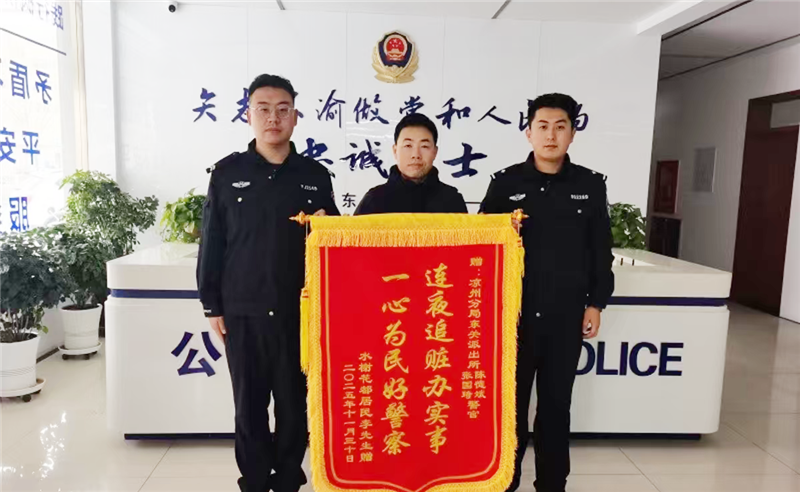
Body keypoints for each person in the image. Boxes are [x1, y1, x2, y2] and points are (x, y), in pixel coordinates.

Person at [197, 74, 340, 492]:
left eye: (282, 109)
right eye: (263, 109)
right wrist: (212, 304)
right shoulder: (228, 174)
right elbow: (213, 241)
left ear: (295, 116)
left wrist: (329, 225)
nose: (273, 118)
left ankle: (289, 480)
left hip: (300, 312)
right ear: (248, 115)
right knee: (249, 406)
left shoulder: (315, 175)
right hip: (244, 310)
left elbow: (334, 241)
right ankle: (255, 481)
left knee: (295, 406)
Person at [479, 93, 614, 492]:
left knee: (556, 408)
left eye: (560, 127)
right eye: (542, 126)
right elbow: (481, 246)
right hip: (513, 319)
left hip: (565, 316)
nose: (551, 135)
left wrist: (596, 302)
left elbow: (600, 250)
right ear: (528, 132)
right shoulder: (505, 184)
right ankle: (505, 483)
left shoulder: (590, 185)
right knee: (510, 410)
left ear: (572, 133)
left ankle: (553, 484)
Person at [354, 113, 467, 214]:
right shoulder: (374, 200)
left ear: (435, 152)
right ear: (395, 151)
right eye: (408, 145)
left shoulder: (452, 200)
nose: (415, 155)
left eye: (424, 146)